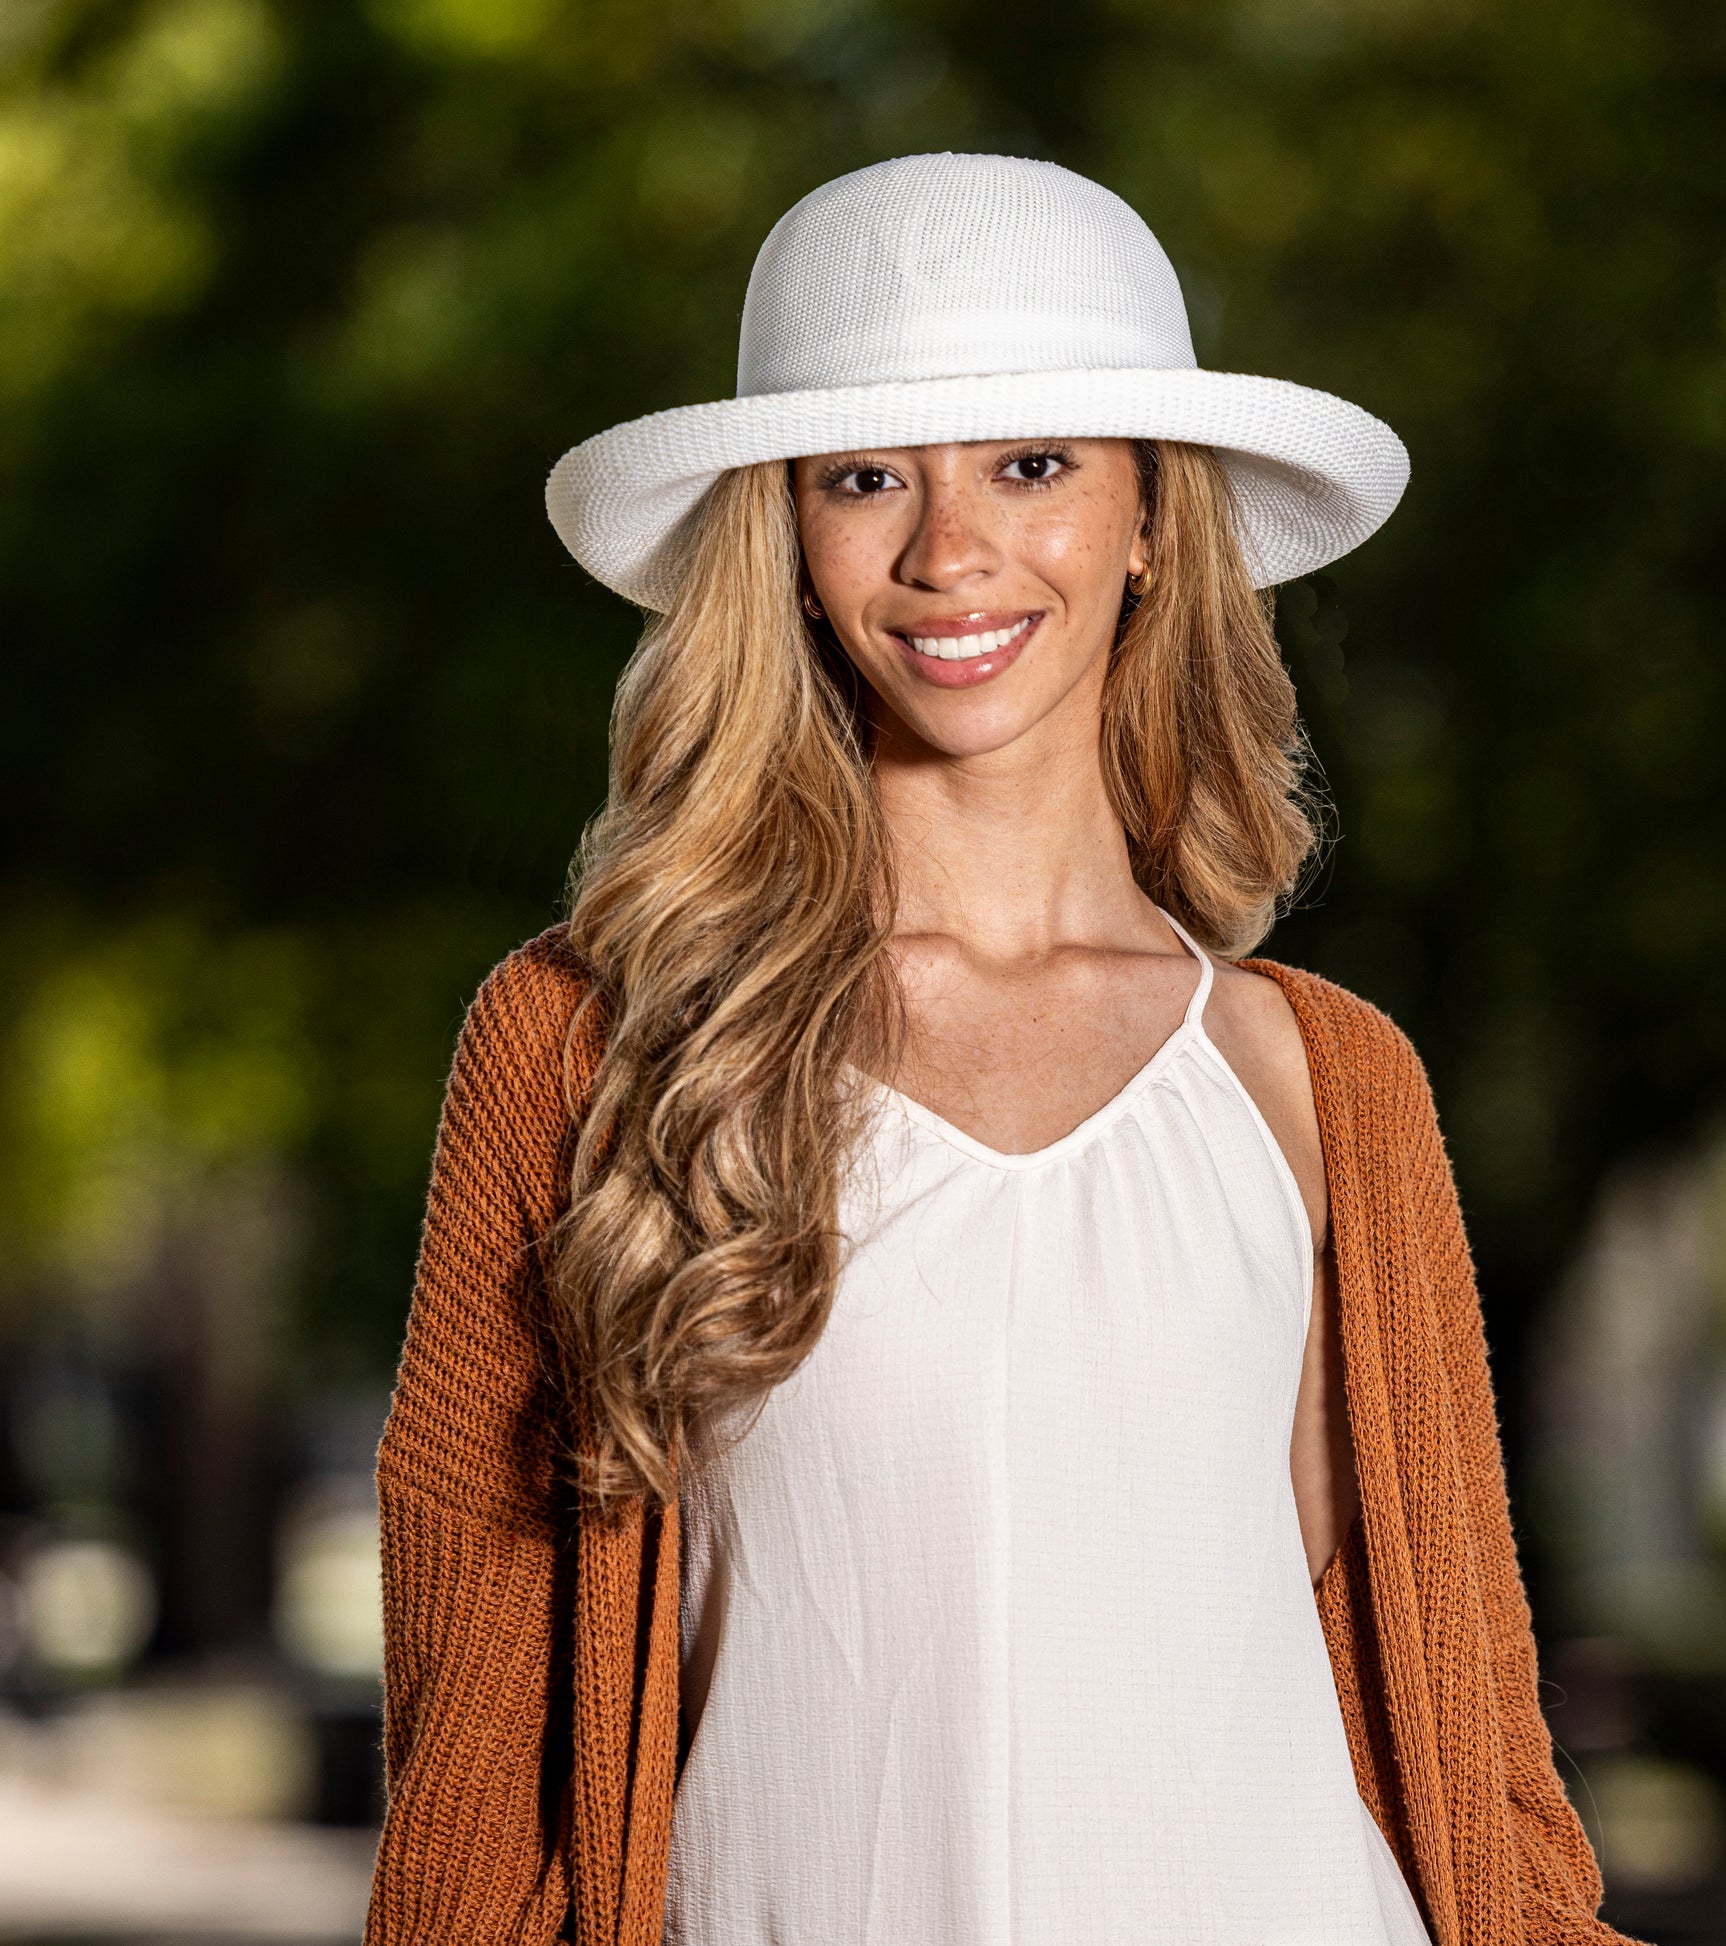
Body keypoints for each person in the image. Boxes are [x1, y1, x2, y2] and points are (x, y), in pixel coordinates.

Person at [364, 154, 1630, 1946]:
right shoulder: (591, 1048)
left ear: (1151, 520)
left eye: (1032, 464)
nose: (948, 552)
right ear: (787, 544)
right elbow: (477, 1742)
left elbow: (1472, 1735)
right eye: (865, 476)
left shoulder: (1319, 1079)